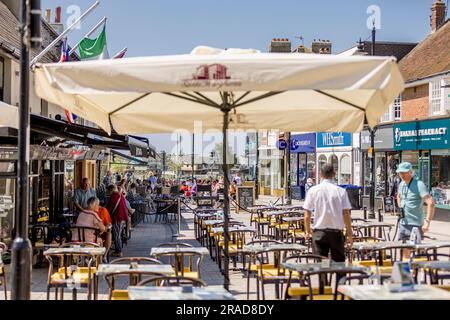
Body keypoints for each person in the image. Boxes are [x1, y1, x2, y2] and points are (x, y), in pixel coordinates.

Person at [303, 163, 353, 262]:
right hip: (336, 233)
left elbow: (307, 215)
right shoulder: (341, 191)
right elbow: (346, 214)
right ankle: (340, 278)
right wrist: (349, 234)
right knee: (339, 264)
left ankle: (323, 277)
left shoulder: (313, 191)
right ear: (334, 174)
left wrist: (308, 231)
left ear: (320, 175)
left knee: (321, 265)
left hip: (319, 233)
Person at [396, 162, 435, 258]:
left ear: (410, 172)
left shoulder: (419, 184)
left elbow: (431, 203)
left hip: (415, 223)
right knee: (404, 249)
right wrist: (400, 207)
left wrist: (427, 221)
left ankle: (420, 270)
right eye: (400, 173)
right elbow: (398, 196)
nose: (402, 175)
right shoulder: (401, 184)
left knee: (416, 250)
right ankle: (407, 271)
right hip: (403, 222)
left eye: (404, 173)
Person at [105, 185, 129, 257]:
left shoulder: (114, 196)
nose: (107, 193)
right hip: (122, 217)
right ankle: (118, 249)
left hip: (117, 218)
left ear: (110, 190)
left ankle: (118, 251)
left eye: (108, 191)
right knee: (118, 234)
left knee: (116, 235)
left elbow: (109, 208)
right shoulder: (119, 195)